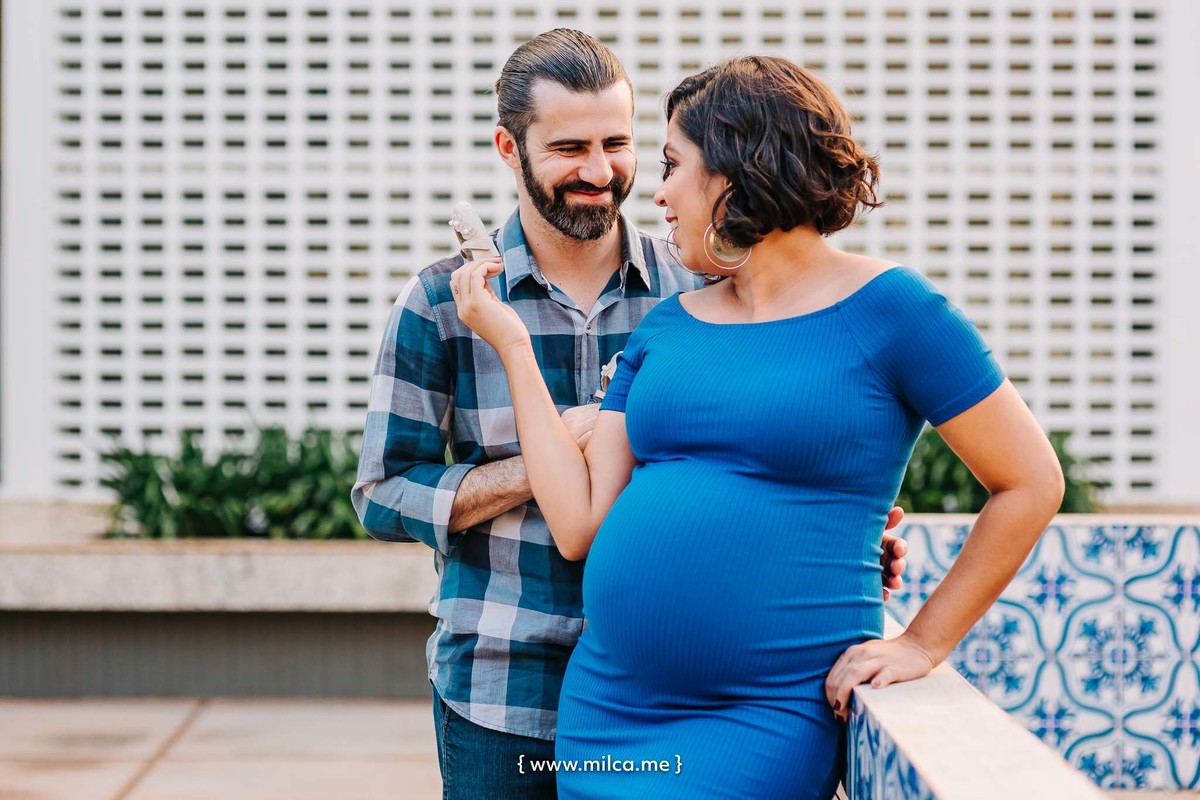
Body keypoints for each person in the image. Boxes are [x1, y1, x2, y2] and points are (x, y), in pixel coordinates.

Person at [451, 54, 1065, 799]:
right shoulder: (668, 325)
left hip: (764, 714)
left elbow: (1030, 481)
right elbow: (580, 523)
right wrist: (512, 344)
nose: (660, 191)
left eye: (675, 164)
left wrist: (923, 642)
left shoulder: (895, 310)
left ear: (735, 170)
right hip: (610, 707)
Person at [353, 30, 907, 800]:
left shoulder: (701, 287)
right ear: (509, 150)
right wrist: (541, 465)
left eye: (617, 143)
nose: (598, 170)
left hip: (677, 694)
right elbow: (381, 494)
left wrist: (831, 532)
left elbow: (762, 454)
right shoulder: (444, 304)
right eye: (568, 146)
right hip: (506, 685)